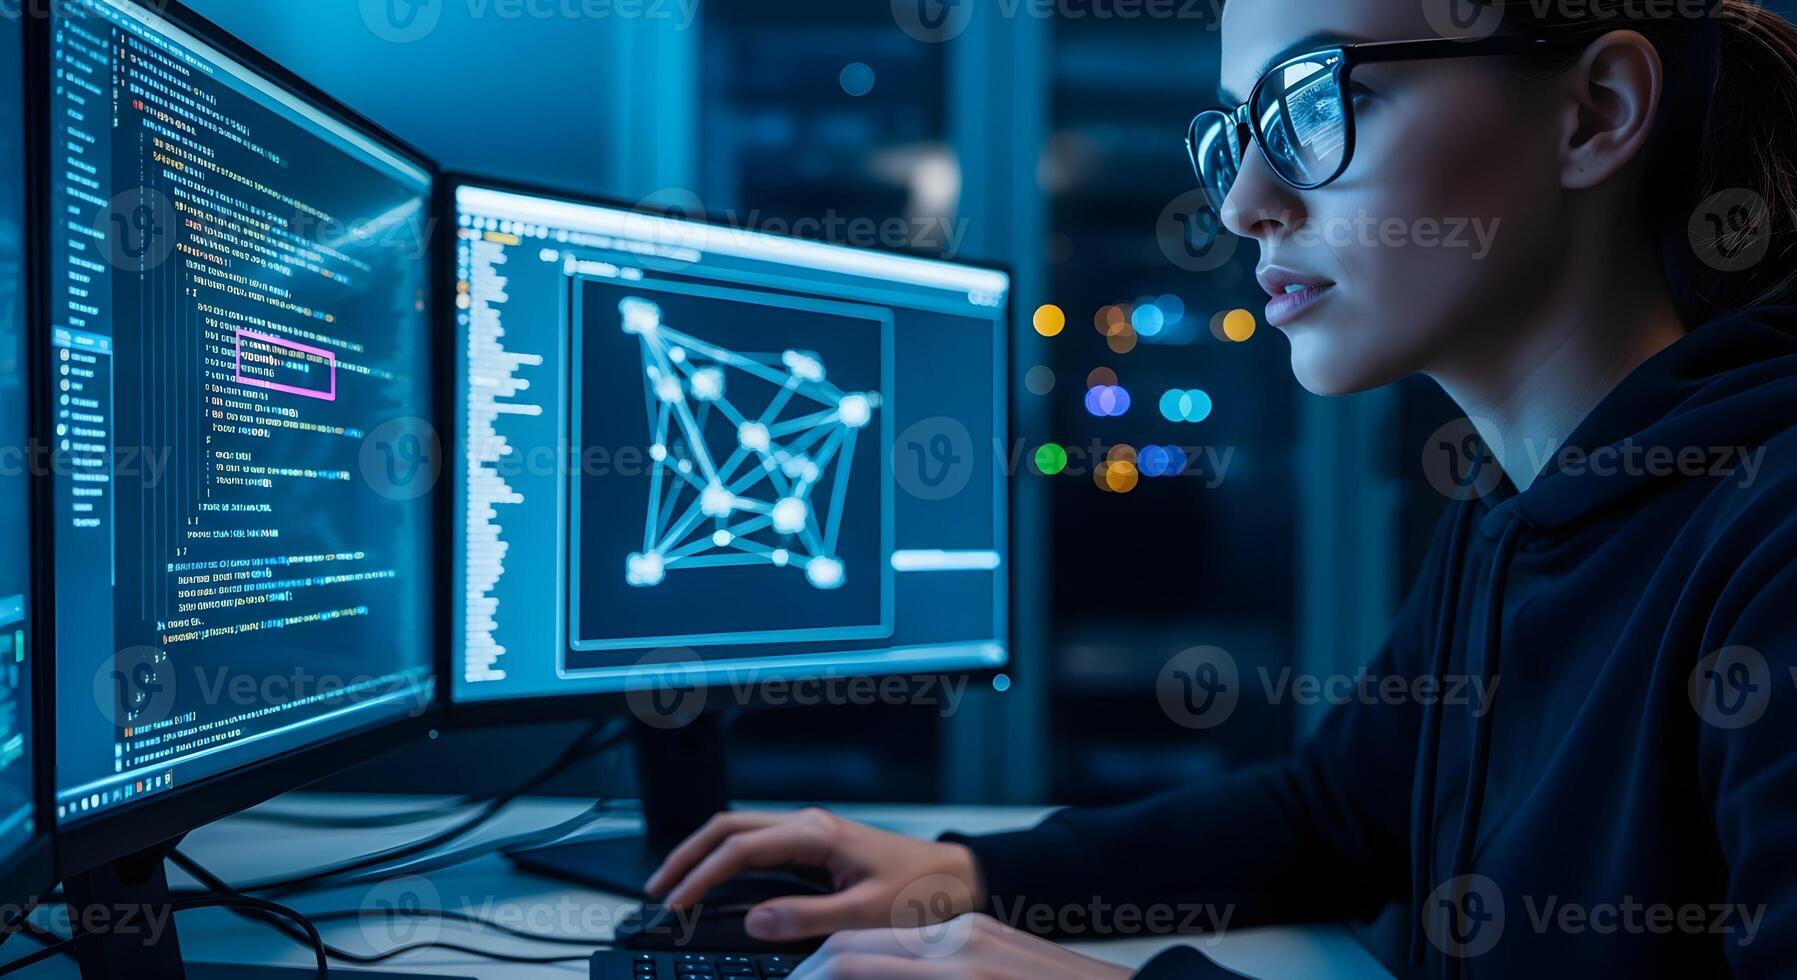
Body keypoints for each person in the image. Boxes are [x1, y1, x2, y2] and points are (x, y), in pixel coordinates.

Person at [643, 0, 1797, 975]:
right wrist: (977, 870)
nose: (1242, 201)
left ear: (1594, 113)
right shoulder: (1516, 512)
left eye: (1312, 102)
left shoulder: (1769, 538)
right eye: (1236, 129)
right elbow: (1334, 813)